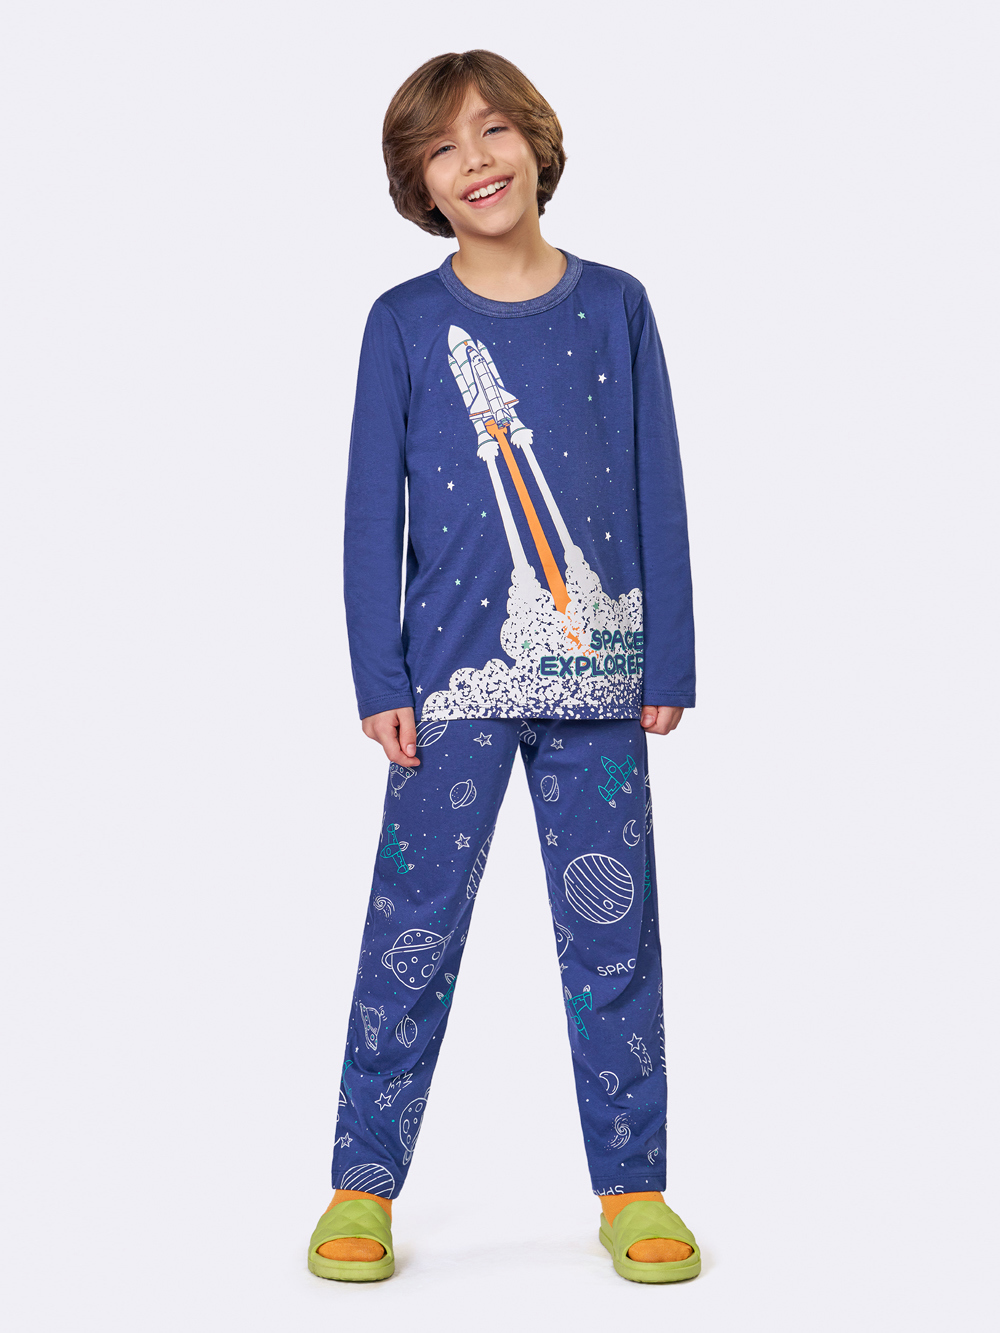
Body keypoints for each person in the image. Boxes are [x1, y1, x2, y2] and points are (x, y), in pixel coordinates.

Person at [307, 49, 700, 1285]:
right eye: (442, 147)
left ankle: (633, 1184)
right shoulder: (404, 323)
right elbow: (371, 513)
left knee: (613, 936)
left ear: (535, 140)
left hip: (599, 679)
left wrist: (669, 651)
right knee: (412, 933)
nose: (474, 160)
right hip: (447, 692)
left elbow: (658, 485)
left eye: (491, 131)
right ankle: (360, 1184)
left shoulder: (617, 305)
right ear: (418, 183)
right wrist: (381, 677)